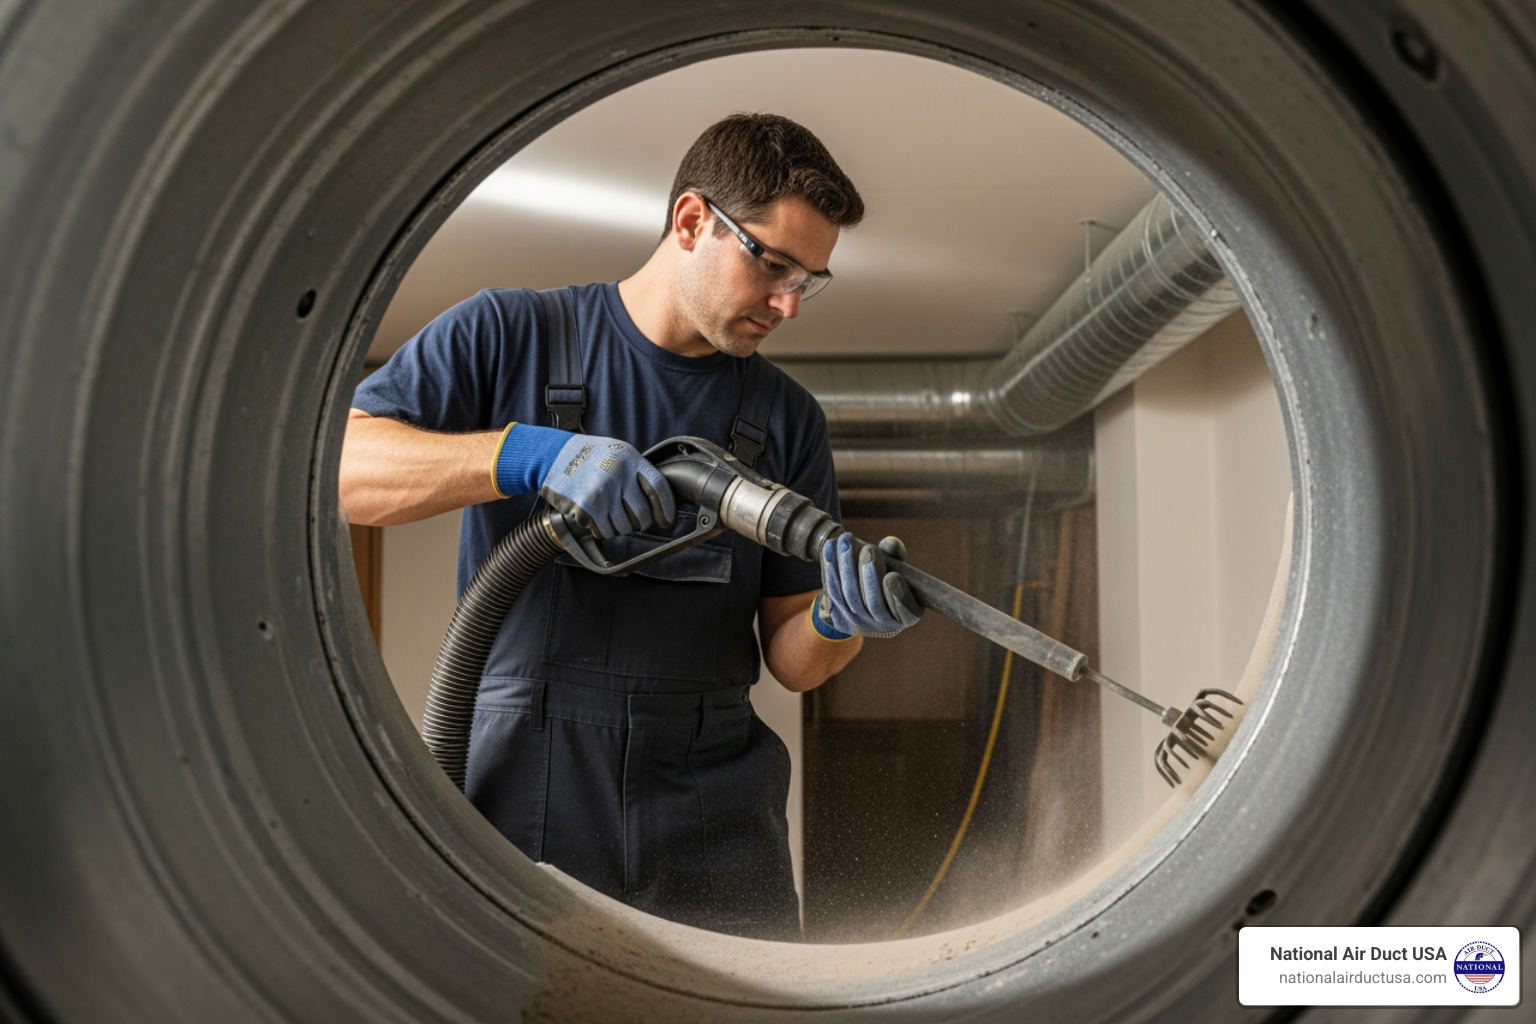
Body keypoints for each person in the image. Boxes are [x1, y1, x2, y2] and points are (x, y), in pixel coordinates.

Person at [339, 113, 921, 940]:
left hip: (714, 804)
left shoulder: (787, 418)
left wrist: (837, 620)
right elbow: (345, 472)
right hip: (527, 786)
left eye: (810, 279)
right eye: (774, 265)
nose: (790, 304)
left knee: (748, 999)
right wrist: (529, 455)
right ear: (691, 220)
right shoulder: (510, 333)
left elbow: (794, 662)